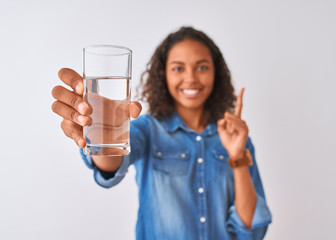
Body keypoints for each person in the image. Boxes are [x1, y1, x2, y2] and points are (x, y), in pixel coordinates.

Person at [51, 26, 272, 240]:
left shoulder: (238, 139)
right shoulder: (147, 130)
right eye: (178, 68)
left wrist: (237, 157)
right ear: (163, 74)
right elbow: (110, 166)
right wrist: (99, 128)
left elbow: (251, 233)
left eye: (202, 67)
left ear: (216, 73)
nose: (191, 78)